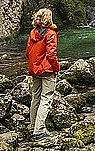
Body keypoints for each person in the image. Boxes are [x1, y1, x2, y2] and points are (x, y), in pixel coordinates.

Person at [26, 8, 60, 141]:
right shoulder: (51, 33)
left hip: (34, 70)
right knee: (46, 99)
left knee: (35, 98)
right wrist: (56, 68)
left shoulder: (33, 32)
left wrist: (33, 66)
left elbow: (28, 52)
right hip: (47, 70)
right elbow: (51, 54)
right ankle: (39, 131)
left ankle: (33, 126)